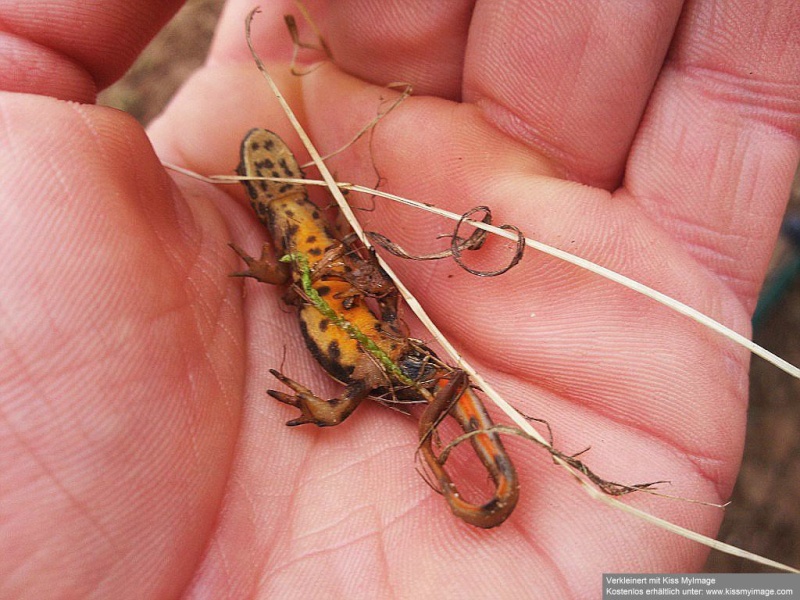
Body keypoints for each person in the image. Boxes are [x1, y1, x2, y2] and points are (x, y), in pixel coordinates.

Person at [2, 0, 798, 597]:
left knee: (401, 388)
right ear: (269, 192)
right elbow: (302, 272)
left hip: (376, 358)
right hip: (371, 358)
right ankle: (440, 455)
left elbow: (300, 272)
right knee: (386, 384)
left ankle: (469, 467)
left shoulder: (293, 229)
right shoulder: (296, 227)